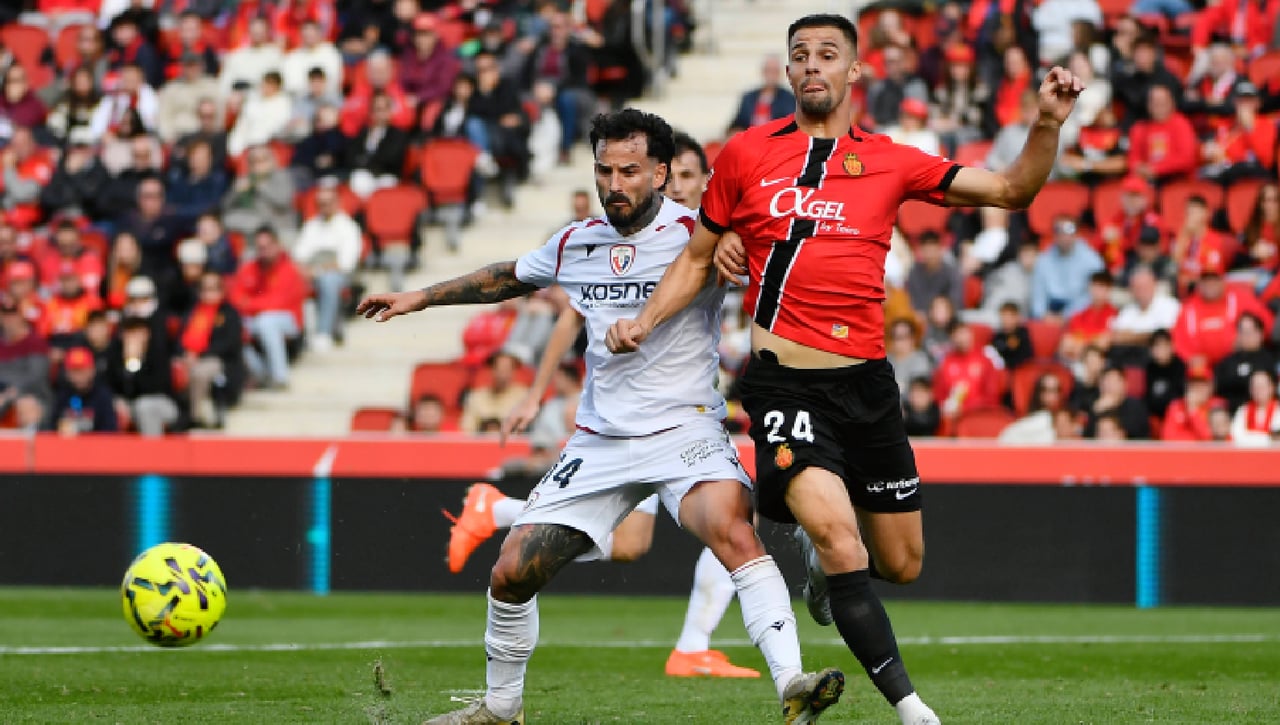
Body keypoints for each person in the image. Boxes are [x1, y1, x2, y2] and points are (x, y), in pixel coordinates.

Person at [607, 15, 1082, 725]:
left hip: (865, 385)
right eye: (800, 55)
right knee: (838, 535)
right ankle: (912, 708)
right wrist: (645, 321)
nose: (812, 65)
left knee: (900, 563)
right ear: (788, 71)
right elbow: (699, 254)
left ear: (855, 70)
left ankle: (822, 577)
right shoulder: (746, 154)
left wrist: (1046, 123)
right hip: (784, 386)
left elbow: (1013, 189)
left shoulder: (891, 160)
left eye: (828, 54)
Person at [358, 109, 844, 725]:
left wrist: (738, 242)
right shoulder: (576, 241)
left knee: (733, 532)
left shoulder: (698, 236)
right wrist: (419, 297)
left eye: (629, 171)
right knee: (511, 574)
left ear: (661, 174)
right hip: (600, 441)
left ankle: (791, 682)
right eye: (605, 170)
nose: (615, 183)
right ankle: (501, 708)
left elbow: (775, 245)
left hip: (685, 431)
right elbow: (507, 277)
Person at [443, 130, 765, 680]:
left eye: (689, 178)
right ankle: (693, 645)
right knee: (731, 524)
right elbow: (574, 313)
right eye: (673, 177)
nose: (679, 187)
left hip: (679, 412)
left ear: (702, 183)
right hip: (626, 422)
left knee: (635, 545)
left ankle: (496, 511)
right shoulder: (617, 244)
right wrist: (536, 392)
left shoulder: (703, 236)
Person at [48, 345, 118, 434]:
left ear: (92, 370)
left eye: (82, 370)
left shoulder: (103, 396)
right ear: (67, 373)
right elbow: (52, 428)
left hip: (97, 442)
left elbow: (110, 430)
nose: (79, 376)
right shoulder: (62, 395)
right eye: (74, 371)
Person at [728, 55, 796, 134]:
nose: (771, 75)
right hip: (751, 137)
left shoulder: (788, 99)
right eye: (768, 70)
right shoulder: (749, 98)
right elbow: (738, 122)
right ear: (763, 72)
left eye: (774, 71)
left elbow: (790, 124)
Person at [1229, 369, 1280, 446]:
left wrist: (1250, 436)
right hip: (1247, 452)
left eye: (1262, 387)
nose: (1258, 390)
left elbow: (1277, 438)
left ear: (1272, 387)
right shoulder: (1243, 410)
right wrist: (1267, 438)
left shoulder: (1278, 409)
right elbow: (1236, 437)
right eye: (1255, 387)